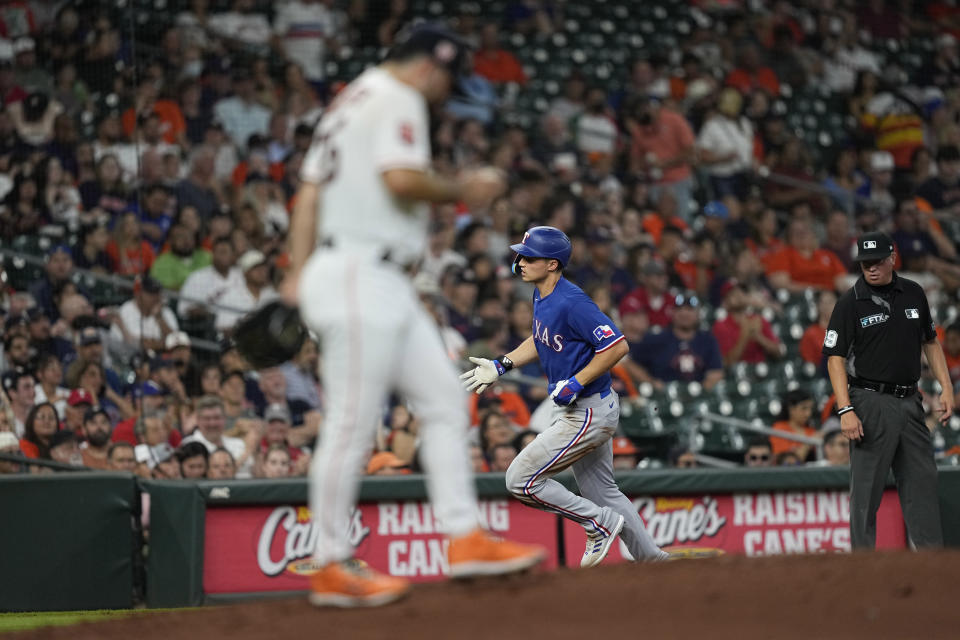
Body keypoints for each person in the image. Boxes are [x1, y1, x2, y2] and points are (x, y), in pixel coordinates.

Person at [279, 23, 545, 607]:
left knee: (445, 402)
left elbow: (309, 193)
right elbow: (399, 179)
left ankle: (465, 537)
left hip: (378, 279)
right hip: (358, 272)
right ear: (431, 66)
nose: (446, 91)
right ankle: (327, 563)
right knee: (351, 422)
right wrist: (464, 187)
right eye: (448, 78)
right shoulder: (396, 98)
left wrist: (297, 276)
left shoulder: (351, 100)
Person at [461, 225, 668, 570]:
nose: (520, 262)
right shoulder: (543, 293)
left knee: (520, 480)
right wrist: (503, 364)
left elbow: (617, 345)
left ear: (553, 264)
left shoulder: (572, 302)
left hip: (588, 411)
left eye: (530, 257)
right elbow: (540, 337)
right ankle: (652, 559)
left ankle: (597, 524)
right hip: (586, 409)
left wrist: (576, 380)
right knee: (603, 492)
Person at [823, 231, 952, 549]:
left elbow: (931, 342)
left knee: (922, 483)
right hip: (869, 401)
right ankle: (863, 568)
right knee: (866, 492)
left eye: (877, 261)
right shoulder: (850, 301)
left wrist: (946, 388)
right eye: (865, 263)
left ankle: (930, 564)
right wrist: (845, 409)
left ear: (892, 258)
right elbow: (835, 359)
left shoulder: (913, 293)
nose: (871, 269)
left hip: (910, 400)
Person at [770, 389, 820, 463]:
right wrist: (809, 442)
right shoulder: (779, 429)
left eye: (810, 409)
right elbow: (788, 462)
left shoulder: (812, 431)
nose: (808, 414)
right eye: (804, 408)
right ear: (791, 409)